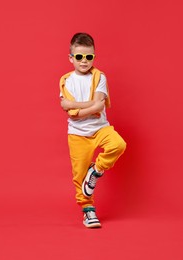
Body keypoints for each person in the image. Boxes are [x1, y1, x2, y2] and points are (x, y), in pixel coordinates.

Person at [59, 32, 126, 228]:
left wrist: (77, 107)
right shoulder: (66, 80)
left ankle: (96, 171)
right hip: (77, 134)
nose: (84, 61)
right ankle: (88, 210)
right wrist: (88, 107)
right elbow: (71, 113)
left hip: (100, 129)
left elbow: (96, 107)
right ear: (71, 58)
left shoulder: (99, 77)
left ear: (94, 57)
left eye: (89, 57)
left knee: (118, 145)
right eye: (79, 57)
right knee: (79, 175)